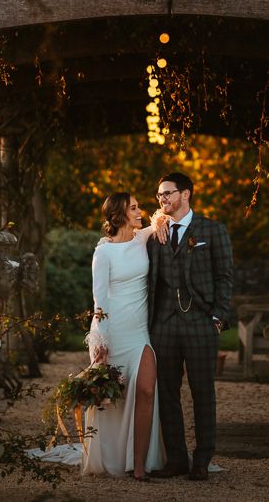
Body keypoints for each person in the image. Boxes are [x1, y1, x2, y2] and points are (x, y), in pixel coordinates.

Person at [147, 172, 233, 481]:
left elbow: (225, 277)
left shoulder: (212, 229)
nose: (162, 200)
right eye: (159, 195)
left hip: (200, 322)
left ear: (186, 194)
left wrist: (217, 318)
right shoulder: (156, 233)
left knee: (203, 392)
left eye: (168, 193)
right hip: (164, 325)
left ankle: (202, 460)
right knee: (166, 393)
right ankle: (176, 459)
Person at [83, 192, 167, 480]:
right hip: (114, 332)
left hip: (140, 333)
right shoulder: (103, 252)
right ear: (119, 214)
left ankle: (140, 464)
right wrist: (101, 344)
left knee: (146, 390)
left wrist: (161, 218)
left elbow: (162, 218)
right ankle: (113, 455)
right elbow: (100, 302)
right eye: (133, 208)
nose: (139, 211)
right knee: (111, 400)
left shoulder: (142, 238)